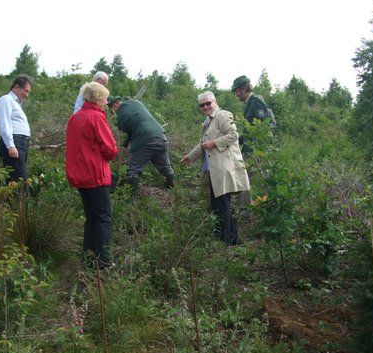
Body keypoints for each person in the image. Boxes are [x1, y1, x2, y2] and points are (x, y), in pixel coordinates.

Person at [180, 91, 250, 246]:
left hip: (222, 168)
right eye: (202, 105)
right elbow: (203, 144)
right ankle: (231, 238)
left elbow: (233, 135)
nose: (205, 106)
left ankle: (226, 241)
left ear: (215, 102)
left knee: (222, 205)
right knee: (218, 205)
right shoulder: (208, 121)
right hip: (212, 169)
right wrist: (190, 157)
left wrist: (214, 143)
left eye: (208, 103)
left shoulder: (222, 115)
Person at [66, 81, 119, 267]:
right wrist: (112, 152)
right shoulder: (97, 117)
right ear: (97, 99)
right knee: (103, 218)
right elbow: (110, 148)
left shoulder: (75, 118)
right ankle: (104, 261)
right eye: (105, 98)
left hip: (79, 176)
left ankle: (88, 258)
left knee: (91, 218)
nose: (106, 102)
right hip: (96, 175)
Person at [108, 97, 175, 197]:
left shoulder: (119, 116)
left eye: (111, 109)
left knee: (133, 170)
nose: (112, 112)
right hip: (161, 137)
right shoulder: (136, 103)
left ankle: (129, 199)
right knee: (166, 168)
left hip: (144, 141)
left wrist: (123, 145)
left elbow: (126, 135)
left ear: (115, 105)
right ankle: (174, 192)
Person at [0, 75, 33, 182]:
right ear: (16, 87)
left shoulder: (16, 104)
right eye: (26, 91)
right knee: (20, 180)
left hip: (21, 143)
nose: (27, 94)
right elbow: (4, 123)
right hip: (14, 142)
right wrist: (11, 145)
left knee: (16, 179)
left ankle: (14, 198)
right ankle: (19, 199)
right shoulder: (6, 100)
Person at [231, 75, 270, 155]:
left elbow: (263, 127)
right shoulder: (249, 103)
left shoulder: (256, 102)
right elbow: (249, 130)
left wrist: (257, 153)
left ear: (244, 89)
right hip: (249, 150)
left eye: (237, 91)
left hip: (256, 152)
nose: (237, 94)